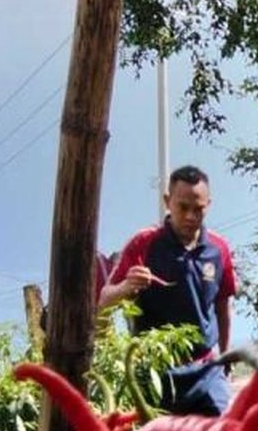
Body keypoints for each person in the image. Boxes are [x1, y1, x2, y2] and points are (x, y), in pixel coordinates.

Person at [100, 165, 238, 415]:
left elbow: (223, 306)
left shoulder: (219, 249)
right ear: (167, 201)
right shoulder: (143, 243)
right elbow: (104, 300)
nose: (190, 216)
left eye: (198, 209)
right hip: (156, 373)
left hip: (207, 370)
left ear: (209, 205)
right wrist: (125, 287)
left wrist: (225, 357)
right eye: (183, 207)